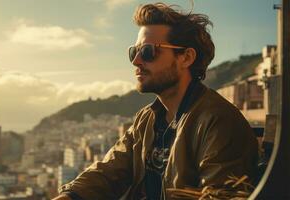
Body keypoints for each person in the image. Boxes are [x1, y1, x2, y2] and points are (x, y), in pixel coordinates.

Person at [53, 2, 258, 200]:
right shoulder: (147, 118)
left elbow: (219, 195)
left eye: (148, 51)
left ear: (185, 58)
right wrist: (70, 196)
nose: (136, 61)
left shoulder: (218, 122)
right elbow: (110, 171)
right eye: (134, 51)